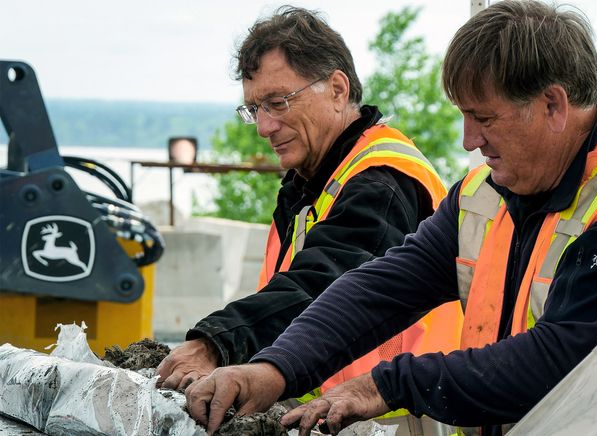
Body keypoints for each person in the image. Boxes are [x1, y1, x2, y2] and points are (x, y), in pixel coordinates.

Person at [185, 1, 597, 435]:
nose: (468, 141)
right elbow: (383, 286)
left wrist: (386, 385)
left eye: (483, 118)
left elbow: (560, 359)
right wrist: (273, 367)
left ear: (552, 105)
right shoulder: (485, 190)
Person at [155, 5, 464, 427]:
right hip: (328, 415)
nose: (264, 126)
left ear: (337, 88)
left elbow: (321, 285)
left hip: (393, 420)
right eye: (253, 109)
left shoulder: (384, 182)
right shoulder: (312, 182)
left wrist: (217, 343)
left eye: (278, 102)